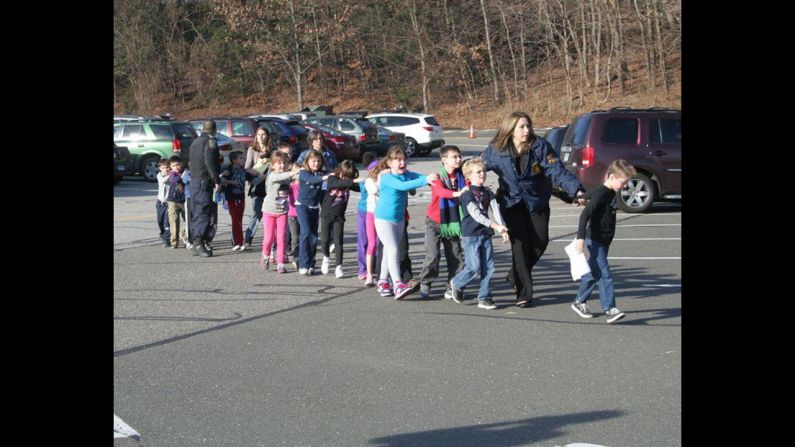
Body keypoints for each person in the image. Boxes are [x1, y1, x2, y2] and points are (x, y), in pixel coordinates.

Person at [481, 111, 585, 307]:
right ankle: (523, 293)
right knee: (519, 246)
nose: (526, 130)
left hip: (536, 201)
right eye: (522, 127)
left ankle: (515, 275)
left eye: (528, 126)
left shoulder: (540, 146)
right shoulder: (496, 150)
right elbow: (476, 167)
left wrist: (576, 190)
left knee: (540, 241)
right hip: (511, 203)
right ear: (510, 129)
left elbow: (557, 171)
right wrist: (457, 179)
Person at [570, 159, 635, 323]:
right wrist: (580, 238)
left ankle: (579, 301)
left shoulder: (608, 191)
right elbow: (585, 215)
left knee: (593, 273)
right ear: (612, 177)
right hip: (595, 240)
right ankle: (610, 309)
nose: (625, 186)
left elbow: (592, 193)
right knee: (605, 275)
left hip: (603, 240)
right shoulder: (602, 193)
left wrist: (582, 198)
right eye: (623, 182)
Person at [374, 146, 438, 299]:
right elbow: (403, 186)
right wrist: (425, 180)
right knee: (393, 249)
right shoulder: (386, 177)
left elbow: (418, 177)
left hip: (399, 219)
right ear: (389, 162)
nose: (402, 162)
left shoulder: (406, 174)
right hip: (383, 218)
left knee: (389, 252)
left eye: (404, 159)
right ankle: (398, 285)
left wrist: (432, 177)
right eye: (397, 160)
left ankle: (383, 282)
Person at [448, 157, 509, 310]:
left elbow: (495, 210)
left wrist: (503, 228)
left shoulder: (488, 192)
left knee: (489, 267)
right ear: (468, 176)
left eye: (483, 171)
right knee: (474, 267)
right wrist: (495, 226)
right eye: (478, 172)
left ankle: (485, 297)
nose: (482, 174)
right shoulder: (467, 194)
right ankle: (456, 283)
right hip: (471, 235)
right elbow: (476, 215)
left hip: (485, 234)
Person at [416, 145, 468, 299]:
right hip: (434, 222)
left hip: (452, 222)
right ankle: (425, 282)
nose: (458, 159)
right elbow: (440, 192)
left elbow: (471, 184)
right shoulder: (436, 177)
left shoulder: (462, 176)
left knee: (456, 255)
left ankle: (452, 285)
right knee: (433, 256)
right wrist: (457, 193)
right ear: (444, 160)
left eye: (459, 156)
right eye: (454, 157)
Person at [320, 160, 363, 278]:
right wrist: (352, 181)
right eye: (344, 175)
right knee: (325, 240)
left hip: (339, 217)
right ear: (340, 171)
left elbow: (359, 187)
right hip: (326, 215)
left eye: (348, 176)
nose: (345, 178)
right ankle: (326, 257)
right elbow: (336, 184)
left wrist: (368, 183)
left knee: (338, 242)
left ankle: (339, 266)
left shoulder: (348, 182)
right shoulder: (332, 178)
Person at [259, 151, 300, 272]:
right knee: (269, 237)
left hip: (282, 211)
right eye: (279, 163)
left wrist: (305, 172)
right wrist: (293, 172)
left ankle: (280, 263)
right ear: (272, 165)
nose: (282, 165)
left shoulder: (287, 176)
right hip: (269, 211)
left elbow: (299, 178)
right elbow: (280, 177)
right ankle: (265, 255)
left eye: (284, 163)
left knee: (281, 237)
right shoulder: (272, 175)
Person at [219, 151, 267, 251]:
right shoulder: (229, 169)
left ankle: (239, 242)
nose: (244, 160)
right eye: (241, 158)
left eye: (244, 158)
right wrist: (231, 182)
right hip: (232, 198)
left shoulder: (244, 171)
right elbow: (221, 179)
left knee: (239, 220)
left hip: (241, 198)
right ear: (234, 160)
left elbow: (257, 180)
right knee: (235, 220)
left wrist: (258, 173)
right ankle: (238, 242)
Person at [188, 120, 222, 257]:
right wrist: (217, 180)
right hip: (204, 181)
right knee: (204, 211)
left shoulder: (195, 142)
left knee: (196, 212)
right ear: (214, 129)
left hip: (195, 181)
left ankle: (196, 242)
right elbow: (210, 161)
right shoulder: (210, 141)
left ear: (203, 128)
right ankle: (199, 242)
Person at [295, 150, 330, 275]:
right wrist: (326, 177)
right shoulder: (304, 172)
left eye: (319, 161)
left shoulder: (322, 172)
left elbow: (334, 174)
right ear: (307, 162)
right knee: (305, 233)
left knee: (314, 236)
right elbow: (313, 180)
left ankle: (311, 263)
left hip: (314, 207)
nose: (316, 163)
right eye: (313, 161)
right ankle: (303, 264)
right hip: (302, 206)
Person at [243, 127, 273, 249]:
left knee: (270, 214)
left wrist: (267, 171)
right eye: (258, 134)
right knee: (256, 213)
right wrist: (259, 173)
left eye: (263, 134)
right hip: (257, 185)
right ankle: (248, 238)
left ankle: (270, 240)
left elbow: (276, 166)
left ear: (267, 136)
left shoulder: (272, 150)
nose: (260, 137)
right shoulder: (252, 149)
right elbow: (247, 168)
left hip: (270, 186)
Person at [356, 152, 377, 281]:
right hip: (364, 212)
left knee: (377, 242)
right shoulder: (365, 182)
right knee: (364, 241)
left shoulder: (383, 180)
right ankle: (363, 269)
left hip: (378, 213)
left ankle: (375, 267)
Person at [361, 156, 381, 286]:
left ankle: (381, 273)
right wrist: (381, 178)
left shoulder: (385, 179)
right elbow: (375, 190)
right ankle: (369, 274)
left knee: (382, 244)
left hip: (383, 215)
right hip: (371, 214)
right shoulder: (369, 181)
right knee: (372, 243)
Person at [166, 156, 189, 248]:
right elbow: (174, 180)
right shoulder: (172, 174)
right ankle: (174, 242)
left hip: (184, 200)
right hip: (173, 201)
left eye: (178, 165)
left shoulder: (186, 172)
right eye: (174, 165)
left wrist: (185, 175)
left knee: (188, 220)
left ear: (181, 164)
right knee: (174, 221)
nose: (176, 167)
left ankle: (184, 236)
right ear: (171, 167)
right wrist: (183, 177)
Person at [155, 159, 171, 247]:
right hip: (160, 202)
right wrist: (171, 174)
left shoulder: (172, 176)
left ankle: (167, 238)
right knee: (160, 221)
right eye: (163, 167)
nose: (165, 169)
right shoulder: (159, 175)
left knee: (166, 222)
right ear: (160, 168)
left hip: (168, 203)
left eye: (167, 167)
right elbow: (163, 181)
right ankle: (162, 234)